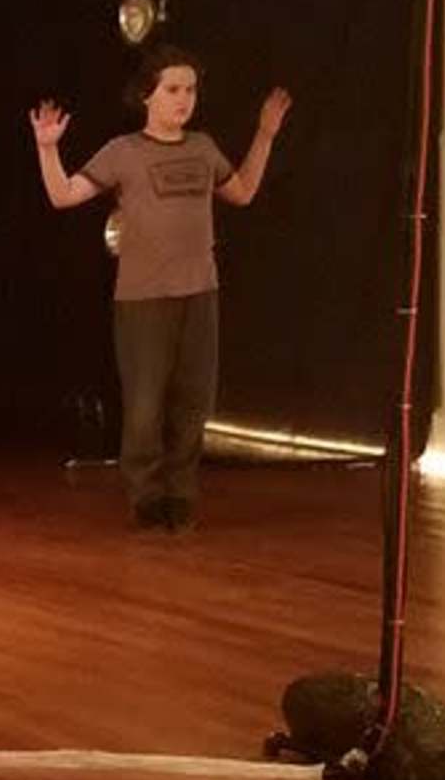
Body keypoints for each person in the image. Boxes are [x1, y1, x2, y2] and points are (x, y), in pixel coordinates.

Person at [31, 44, 289, 531]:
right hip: (144, 300)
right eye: (173, 89)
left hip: (200, 294)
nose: (183, 99)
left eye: (190, 90)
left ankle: (181, 492)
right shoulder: (123, 152)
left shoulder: (203, 147)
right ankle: (146, 494)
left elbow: (244, 191)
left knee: (194, 400)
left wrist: (265, 134)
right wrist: (48, 148)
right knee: (146, 404)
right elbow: (64, 195)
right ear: (147, 94)